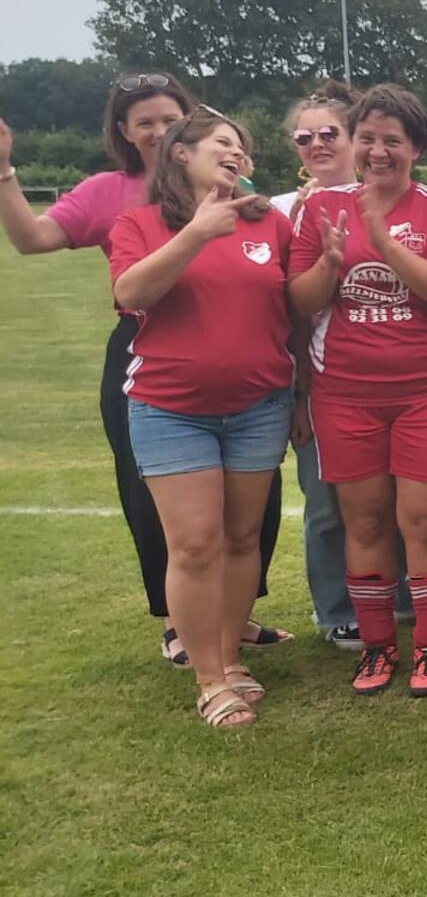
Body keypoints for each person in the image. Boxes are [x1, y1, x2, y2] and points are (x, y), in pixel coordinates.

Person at [0, 74, 288, 666]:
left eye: (168, 118)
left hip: (252, 378)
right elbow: (38, 242)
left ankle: (230, 628)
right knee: (176, 518)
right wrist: (6, 172)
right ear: (127, 134)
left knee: (243, 521)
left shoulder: (249, 198)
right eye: (144, 123)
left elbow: (282, 289)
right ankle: (187, 633)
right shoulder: (118, 198)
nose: (157, 130)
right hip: (154, 360)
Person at [289, 84, 427, 697]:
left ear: (416, 147)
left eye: (391, 141)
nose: (377, 151)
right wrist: (330, 262)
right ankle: (375, 648)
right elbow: (299, 301)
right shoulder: (319, 209)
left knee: (424, 523)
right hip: (344, 392)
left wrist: (387, 242)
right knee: (363, 522)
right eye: (366, 138)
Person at [107, 109, 291, 727]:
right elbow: (131, 294)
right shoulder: (139, 223)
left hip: (259, 405)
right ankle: (209, 679)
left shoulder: (269, 221)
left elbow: (293, 307)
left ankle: (233, 658)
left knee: (242, 539)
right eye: (221, 143)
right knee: (192, 544)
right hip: (170, 408)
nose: (235, 153)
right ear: (181, 154)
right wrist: (196, 233)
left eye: (242, 147)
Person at [271, 83, 409, 648]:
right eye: (305, 137)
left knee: (395, 502)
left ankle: (398, 597)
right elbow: (292, 310)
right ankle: (335, 610)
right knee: (329, 506)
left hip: (398, 383)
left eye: (331, 133)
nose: (318, 144)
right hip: (323, 381)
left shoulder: (388, 195)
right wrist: (300, 392)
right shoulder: (286, 210)